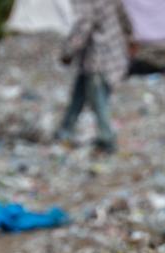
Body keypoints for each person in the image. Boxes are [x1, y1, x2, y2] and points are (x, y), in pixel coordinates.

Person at [55, 0, 129, 152]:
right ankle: (65, 130)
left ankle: (107, 139)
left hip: (98, 58)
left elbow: (83, 28)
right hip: (112, 51)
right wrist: (130, 36)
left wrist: (67, 52)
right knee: (79, 93)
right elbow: (123, 14)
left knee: (98, 99)